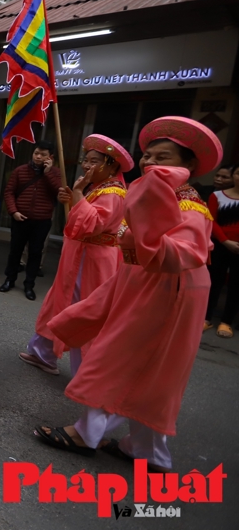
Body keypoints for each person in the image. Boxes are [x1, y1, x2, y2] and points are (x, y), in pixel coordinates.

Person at [36, 117, 221, 471]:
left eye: (162, 157)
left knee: (118, 356)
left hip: (166, 290)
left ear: (189, 166)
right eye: (148, 156)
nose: (151, 163)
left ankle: (87, 433)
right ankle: (146, 450)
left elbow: (178, 254)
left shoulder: (188, 205)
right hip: (135, 280)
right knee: (150, 367)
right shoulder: (154, 193)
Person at [19, 135, 131, 377]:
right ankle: (43, 353)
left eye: (94, 162)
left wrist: (78, 194)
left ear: (111, 165)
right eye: (86, 160)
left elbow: (92, 225)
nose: (87, 166)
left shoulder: (113, 192)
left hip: (92, 260)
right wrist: (73, 200)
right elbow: (77, 224)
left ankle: (87, 373)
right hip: (81, 255)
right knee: (59, 301)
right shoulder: (99, 187)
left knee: (81, 312)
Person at [0, 140, 62, 300]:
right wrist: (13, 212)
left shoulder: (56, 173)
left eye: (43, 154)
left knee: (35, 253)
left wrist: (48, 173)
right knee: (15, 251)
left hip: (42, 220)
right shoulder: (20, 171)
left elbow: (59, 192)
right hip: (20, 218)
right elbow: (9, 192)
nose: (38, 157)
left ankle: (29, 285)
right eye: (36, 153)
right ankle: (9, 279)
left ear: (50, 157)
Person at [205, 164, 239, 338]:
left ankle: (226, 322)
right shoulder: (217, 196)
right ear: (233, 176)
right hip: (220, 245)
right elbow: (211, 220)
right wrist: (226, 241)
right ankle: (206, 317)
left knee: (235, 285)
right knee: (213, 281)